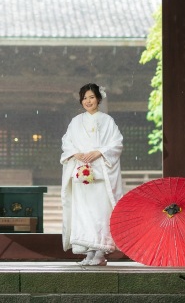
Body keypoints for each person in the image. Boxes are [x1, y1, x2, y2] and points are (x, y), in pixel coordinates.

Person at [60, 83, 124, 266]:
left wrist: (99, 152)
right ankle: (88, 252)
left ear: (98, 99)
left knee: (100, 213)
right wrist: (75, 154)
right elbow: (67, 142)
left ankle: (100, 252)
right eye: (85, 98)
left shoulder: (107, 120)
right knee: (84, 213)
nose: (88, 101)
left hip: (100, 174)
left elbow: (117, 143)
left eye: (91, 97)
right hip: (81, 173)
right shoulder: (75, 121)